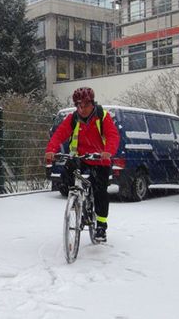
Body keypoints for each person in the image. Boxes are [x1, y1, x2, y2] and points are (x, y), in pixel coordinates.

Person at [45, 87, 120, 242]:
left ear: (92, 104)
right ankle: (77, 198)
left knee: (100, 191)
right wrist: (51, 150)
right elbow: (59, 134)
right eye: (78, 106)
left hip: (100, 159)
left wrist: (108, 151)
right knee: (66, 173)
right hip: (81, 157)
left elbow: (113, 136)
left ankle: (100, 226)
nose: (81, 109)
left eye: (85, 105)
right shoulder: (73, 118)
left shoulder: (102, 117)